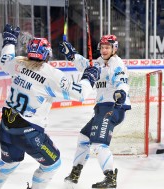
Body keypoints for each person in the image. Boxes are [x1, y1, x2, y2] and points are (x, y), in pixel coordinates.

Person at [0, 24, 100, 189]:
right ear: (47, 54)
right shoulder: (51, 74)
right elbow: (81, 94)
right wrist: (89, 77)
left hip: (6, 128)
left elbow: (5, 62)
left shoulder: (18, 63)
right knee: (52, 164)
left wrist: (9, 41)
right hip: (29, 132)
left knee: (8, 162)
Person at [58, 34, 130, 189]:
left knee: (99, 143)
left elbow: (121, 81)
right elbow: (85, 64)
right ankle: (75, 172)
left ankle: (110, 178)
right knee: (83, 137)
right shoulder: (98, 63)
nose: (104, 50)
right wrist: (71, 55)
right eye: (102, 47)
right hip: (101, 109)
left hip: (113, 107)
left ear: (114, 48)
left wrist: (121, 93)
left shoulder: (116, 63)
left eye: (107, 47)